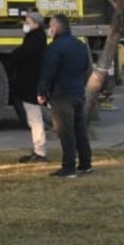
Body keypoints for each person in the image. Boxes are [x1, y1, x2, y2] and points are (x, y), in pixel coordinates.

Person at [37, 13, 93, 178]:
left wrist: (42, 92)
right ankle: (86, 163)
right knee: (79, 129)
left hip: (61, 95)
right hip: (77, 92)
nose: (49, 29)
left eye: (50, 26)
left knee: (65, 131)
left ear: (55, 28)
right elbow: (86, 68)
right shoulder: (80, 45)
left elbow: (48, 73)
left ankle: (68, 167)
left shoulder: (54, 48)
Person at [7, 11, 49, 162]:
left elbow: (22, 54)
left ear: (36, 24)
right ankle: (38, 150)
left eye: (28, 22)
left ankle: (40, 151)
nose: (26, 24)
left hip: (31, 84)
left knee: (35, 119)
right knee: (34, 118)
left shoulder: (35, 40)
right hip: (31, 83)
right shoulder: (36, 38)